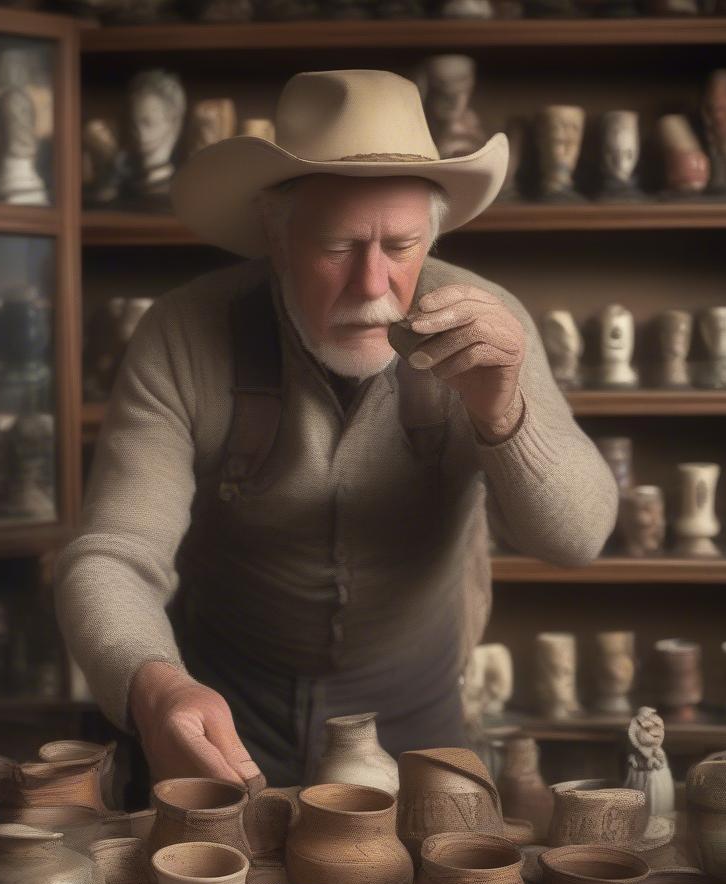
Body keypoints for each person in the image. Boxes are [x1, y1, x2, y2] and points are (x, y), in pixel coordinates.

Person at [55, 69, 618, 788]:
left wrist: (504, 413)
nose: (373, 285)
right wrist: (152, 683)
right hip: (223, 718)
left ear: (433, 236)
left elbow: (578, 538)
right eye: (338, 247)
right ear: (277, 233)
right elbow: (112, 555)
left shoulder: (487, 327)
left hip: (420, 722)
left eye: (402, 246)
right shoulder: (183, 334)